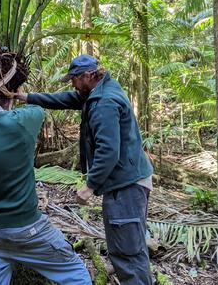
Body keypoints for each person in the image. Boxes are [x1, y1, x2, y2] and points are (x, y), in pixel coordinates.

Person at [14, 54, 154, 285]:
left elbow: (108, 151)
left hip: (125, 186)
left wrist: (90, 186)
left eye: (75, 79)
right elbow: (68, 99)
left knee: (126, 252)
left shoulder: (104, 104)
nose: (72, 84)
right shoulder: (102, 89)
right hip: (130, 179)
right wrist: (28, 97)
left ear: (88, 76)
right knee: (132, 247)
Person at [0, 76, 91, 285]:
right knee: (75, 274)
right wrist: (9, 104)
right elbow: (38, 110)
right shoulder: (22, 120)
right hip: (29, 230)